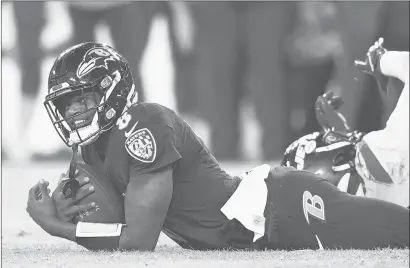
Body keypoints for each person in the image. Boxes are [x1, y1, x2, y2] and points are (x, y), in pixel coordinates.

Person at [26, 43, 408, 251]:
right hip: (258, 227)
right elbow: (110, 228)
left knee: (401, 229)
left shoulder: (143, 124)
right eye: (66, 105)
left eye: (83, 100)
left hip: (280, 207)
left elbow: (137, 240)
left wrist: (57, 226)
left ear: (111, 90)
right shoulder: (88, 152)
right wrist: (70, 211)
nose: (74, 113)